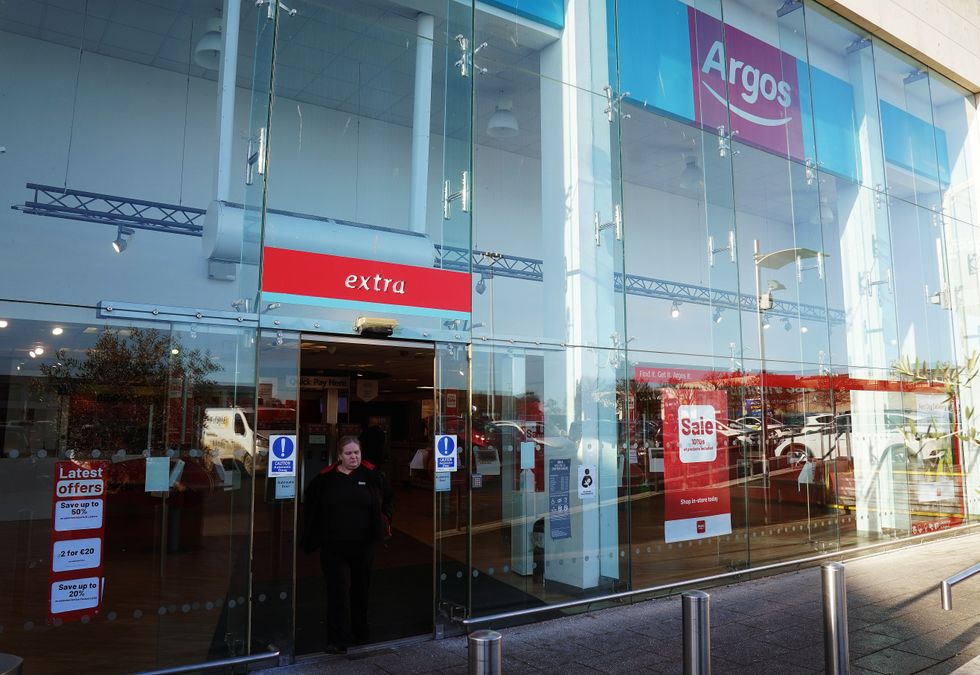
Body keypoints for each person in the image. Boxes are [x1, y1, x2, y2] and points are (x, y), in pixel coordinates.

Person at [302, 436, 393, 654]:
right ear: (339, 456)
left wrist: (385, 521)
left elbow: (389, 498)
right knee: (337, 593)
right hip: (334, 548)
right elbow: (311, 506)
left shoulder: (371, 475)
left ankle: (361, 634)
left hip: (363, 546)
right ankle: (337, 639)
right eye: (349, 453)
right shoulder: (325, 479)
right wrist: (314, 536)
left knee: (361, 591)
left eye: (357, 453)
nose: (354, 457)